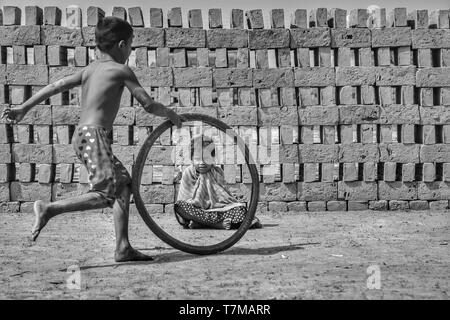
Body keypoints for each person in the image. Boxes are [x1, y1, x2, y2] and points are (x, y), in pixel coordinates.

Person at [1, 17, 183, 262]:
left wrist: (23, 108)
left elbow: (55, 86)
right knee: (106, 193)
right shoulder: (121, 70)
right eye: (131, 45)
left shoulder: (90, 69)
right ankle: (50, 209)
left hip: (84, 136)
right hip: (94, 136)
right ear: (121, 45)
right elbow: (148, 104)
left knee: (123, 184)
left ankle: (122, 247)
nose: (130, 50)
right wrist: (170, 113)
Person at [174, 134, 262, 230]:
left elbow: (224, 196)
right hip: (197, 210)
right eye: (197, 159)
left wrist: (230, 203)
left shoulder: (217, 172)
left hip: (218, 210)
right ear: (191, 159)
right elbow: (184, 197)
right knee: (180, 206)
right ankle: (215, 224)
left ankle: (201, 224)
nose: (202, 163)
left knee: (240, 209)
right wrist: (196, 205)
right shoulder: (188, 172)